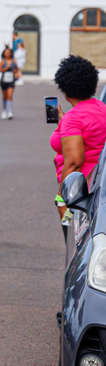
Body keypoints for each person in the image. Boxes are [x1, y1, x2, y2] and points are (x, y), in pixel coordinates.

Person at [49, 55, 106, 239]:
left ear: (66, 90)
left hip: (80, 194)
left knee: (77, 243)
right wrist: (64, 120)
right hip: (99, 183)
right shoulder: (101, 107)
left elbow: (74, 162)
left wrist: (62, 199)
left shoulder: (73, 118)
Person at [0, 47, 19, 120]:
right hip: (4, 80)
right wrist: (6, 68)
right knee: (5, 96)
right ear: (4, 54)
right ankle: (4, 111)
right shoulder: (3, 61)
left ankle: (10, 112)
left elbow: (17, 69)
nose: (7, 54)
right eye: (6, 53)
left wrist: (15, 71)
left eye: (8, 53)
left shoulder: (13, 60)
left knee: (10, 95)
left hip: (11, 80)